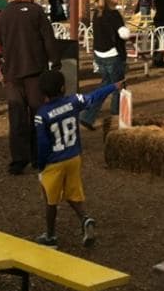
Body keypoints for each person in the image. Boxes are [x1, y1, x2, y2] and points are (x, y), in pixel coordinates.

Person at [33, 69, 114, 248]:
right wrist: (112, 87)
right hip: (74, 157)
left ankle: (51, 236)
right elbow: (94, 96)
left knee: (50, 200)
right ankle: (85, 219)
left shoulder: (41, 115)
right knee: (72, 193)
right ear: (63, 88)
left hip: (54, 162)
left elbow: (43, 144)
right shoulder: (73, 102)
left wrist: (41, 165)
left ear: (42, 92)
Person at [0, 0, 60, 175]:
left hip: (13, 73)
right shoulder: (36, 11)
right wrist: (55, 63)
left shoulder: (1, 16)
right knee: (38, 114)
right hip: (35, 70)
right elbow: (48, 38)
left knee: (17, 116)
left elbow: (0, 44)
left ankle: (18, 160)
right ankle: (39, 155)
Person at [80, 0, 130, 130]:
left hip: (99, 54)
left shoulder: (97, 13)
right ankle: (117, 120)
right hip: (113, 55)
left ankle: (87, 116)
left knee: (105, 86)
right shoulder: (113, 14)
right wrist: (127, 32)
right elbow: (123, 33)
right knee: (118, 87)